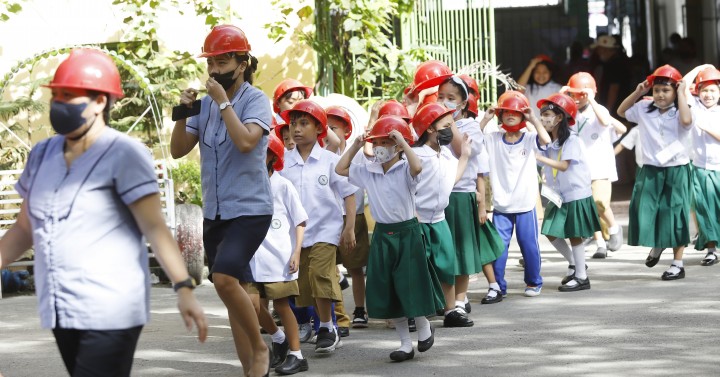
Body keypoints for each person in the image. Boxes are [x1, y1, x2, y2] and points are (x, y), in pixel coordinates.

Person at [0, 48, 207, 377]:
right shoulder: (41, 154)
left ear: (99, 102)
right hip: (61, 305)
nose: (58, 103)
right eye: (56, 95)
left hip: (112, 305)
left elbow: (155, 228)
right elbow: (23, 228)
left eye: (69, 95)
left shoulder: (125, 154)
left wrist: (183, 287)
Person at [170, 25, 272, 377]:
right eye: (210, 62)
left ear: (242, 63)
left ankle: (261, 347)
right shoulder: (205, 106)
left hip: (251, 209)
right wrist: (183, 114)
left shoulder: (256, 100)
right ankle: (251, 369)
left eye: (223, 61)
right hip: (215, 211)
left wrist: (224, 103)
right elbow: (178, 150)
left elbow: (246, 142)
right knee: (232, 294)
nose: (214, 70)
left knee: (225, 278)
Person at [335, 115, 443, 362]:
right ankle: (405, 343)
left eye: (387, 142)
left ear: (397, 145)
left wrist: (403, 143)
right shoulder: (368, 171)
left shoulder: (405, 167)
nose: (382, 147)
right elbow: (340, 169)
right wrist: (356, 144)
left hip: (407, 232)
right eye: (378, 142)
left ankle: (424, 325)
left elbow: (417, 167)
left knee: (409, 284)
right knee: (388, 288)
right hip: (384, 235)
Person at [279, 99, 357, 354]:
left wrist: (349, 227)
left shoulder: (329, 160)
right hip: (296, 236)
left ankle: (327, 326)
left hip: (326, 230)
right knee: (303, 284)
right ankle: (319, 324)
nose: (296, 129)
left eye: (304, 123)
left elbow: (348, 194)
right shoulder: (283, 163)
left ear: (319, 129)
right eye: (293, 124)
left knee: (320, 274)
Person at [617, 64, 693, 281]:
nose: (660, 94)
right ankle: (658, 244)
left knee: (676, 213)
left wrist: (681, 93)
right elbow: (621, 111)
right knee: (645, 209)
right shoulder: (643, 108)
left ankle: (677, 263)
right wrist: (639, 91)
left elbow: (687, 122)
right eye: (657, 90)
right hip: (650, 168)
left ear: (675, 90)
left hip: (676, 169)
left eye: (666, 90)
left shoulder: (683, 109)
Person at [439, 76, 505, 309]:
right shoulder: (434, 123)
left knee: (461, 250)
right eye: (440, 97)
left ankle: (459, 301)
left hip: (460, 194)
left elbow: (461, 151)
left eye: (451, 98)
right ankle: (446, 299)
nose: (444, 102)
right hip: (438, 196)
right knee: (442, 251)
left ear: (464, 103)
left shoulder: (470, 128)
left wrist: (449, 122)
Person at [480, 91, 552, 297]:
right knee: (499, 248)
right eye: (506, 111)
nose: (511, 115)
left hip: (525, 203)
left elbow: (546, 140)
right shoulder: (493, 139)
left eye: (516, 111)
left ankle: (534, 282)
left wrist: (533, 119)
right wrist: (486, 117)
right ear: (500, 115)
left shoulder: (529, 138)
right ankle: (498, 286)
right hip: (502, 205)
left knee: (529, 245)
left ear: (522, 115)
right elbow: (473, 139)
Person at [248, 133, 309, 375]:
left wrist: (296, 252)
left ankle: (297, 354)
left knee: (282, 305)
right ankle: (278, 336)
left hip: (278, 256)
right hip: (251, 256)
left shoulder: (283, 185)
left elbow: (300, 220)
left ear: (273, 157)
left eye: (261, 152)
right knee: (251, 303)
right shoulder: (246, 183)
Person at [411, 102, 473, 327]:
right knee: (417, 268)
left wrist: (464, 156)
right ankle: (414, 312)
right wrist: (412, 213)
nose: (450, 130)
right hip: (416, 219)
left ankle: (450, 311)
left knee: (447, 265)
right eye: (446, 125)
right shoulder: (416, 155)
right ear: (429, 128)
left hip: (439, 219)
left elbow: (451, 180)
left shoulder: (445, 154)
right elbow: (405, 187)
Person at [535, 93, 602, 291]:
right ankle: (575, 263)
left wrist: (539, 157)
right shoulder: (550, 141)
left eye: (547, 114)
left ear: (560, 117)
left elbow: (564, 166)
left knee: (574, 235)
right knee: (550, 231)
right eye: (542, 115)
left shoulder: (571, 140)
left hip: (575, 194)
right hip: (559, 194)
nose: (544, 118)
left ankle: (582, 276)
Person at [562, 72, 626, 258]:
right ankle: (600, 244)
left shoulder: (599, 110)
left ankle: (614, 227)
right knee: (588, 206)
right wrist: (563, 94)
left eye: (582, 94)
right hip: (578, 167)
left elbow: (606, 121)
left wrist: (591, 100)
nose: (578, 98)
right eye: (574, 94)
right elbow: (553, 114)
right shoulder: (569, 113)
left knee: (599, 201)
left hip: (600, 167)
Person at [325, 105, 372, 331]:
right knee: (329, 268)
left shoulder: (357, 153)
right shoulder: (323, 153)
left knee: (355, 268)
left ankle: (360, 309)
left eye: (333, 127)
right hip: (330, 218)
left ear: (346, 130)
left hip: (355, 217)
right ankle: (333, 313)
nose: (327, 132)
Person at [682, 64, 720, 265]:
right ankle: (711, 249)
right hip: (699, 168)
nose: (708, 95)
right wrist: (700, 67)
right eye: (704, 90)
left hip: (719, 168)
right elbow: (682, 85)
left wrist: (707, 128)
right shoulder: (694, 107)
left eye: (712, 90)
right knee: (704, 210)